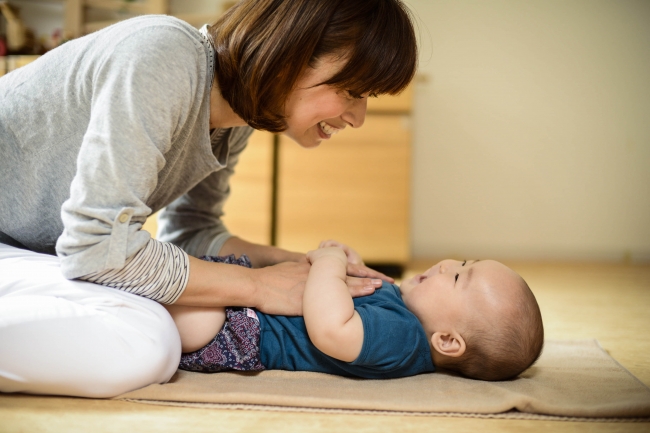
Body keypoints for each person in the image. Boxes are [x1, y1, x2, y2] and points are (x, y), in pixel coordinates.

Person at [0, 0, 417, 397]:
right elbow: (96, 248)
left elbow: (190, 232)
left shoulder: (238, 118)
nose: (357, 117)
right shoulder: (162, 56)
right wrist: (256, 287)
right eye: (351, 90)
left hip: (31, 252)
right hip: (22, 245)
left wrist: (290, 265)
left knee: (163, 324)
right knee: (148, 341)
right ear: (291, 54)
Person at [170, 242, 545, 381]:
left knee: (195, 319)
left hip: (239, 328)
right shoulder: (405, 307)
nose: (447, 264)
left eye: (460, 277)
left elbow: (332, 329)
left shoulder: (404, 339)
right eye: (463, 261)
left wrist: (330, 265)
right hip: (242, 300)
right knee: (185, 275)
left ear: (446, 340)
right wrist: (354, 266)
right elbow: (360, 300)